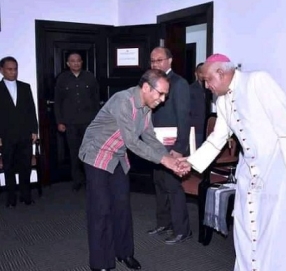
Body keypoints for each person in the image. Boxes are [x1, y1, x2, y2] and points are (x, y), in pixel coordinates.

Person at [178, 54, 286, 271]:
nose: (207, 86)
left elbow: (284, 120)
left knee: (277, 231)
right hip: (249, 170)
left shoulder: (258, 80)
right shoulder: (221, 101)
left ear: (221, 72)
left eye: (208, 80)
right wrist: (191, 163)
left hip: (278, 169)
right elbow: (217, 138)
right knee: (247, 226)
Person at [79, 69, 182, 271]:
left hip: (117, 156)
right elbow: (133, 142)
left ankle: (124, 253)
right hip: (96, 155)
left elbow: (150, 138)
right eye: (160, 94)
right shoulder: (123, 101)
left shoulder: (145, 107)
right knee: (101, 210)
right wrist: (164, 161)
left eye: (165, 95)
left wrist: (170, 158)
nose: (162, 100)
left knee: (122, 206)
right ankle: (101, 263)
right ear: (145, 87)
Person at [147, 47, 192, 245]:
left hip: (173, 146)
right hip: (155, 144)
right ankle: (164, 223)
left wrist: (180, 147)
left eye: (159, 60)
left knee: (173, 187)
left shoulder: (179, 84)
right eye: (152, 61)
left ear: (169, 61)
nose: (155, 64)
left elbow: (184, 118)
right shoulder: (150, 83)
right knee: (159, 184)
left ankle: (183, 230)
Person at [54, 52, 99, 191]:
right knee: (74, 153)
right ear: (68, 63)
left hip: (88, 122)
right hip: (70, 123)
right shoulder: (62, 79)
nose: (76, 63)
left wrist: (97, 121)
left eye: (78, 60)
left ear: (82, 62)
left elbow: (96, 100)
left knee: (90, 152)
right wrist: (59, 121)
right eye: (72, 61)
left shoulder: (90, 77)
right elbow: (58, 102)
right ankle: (77, 180)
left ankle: (90, 180)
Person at [0, 56, 38, 207]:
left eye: (15, 69)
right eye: (9, 69)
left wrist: (34, 130)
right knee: (8, 167)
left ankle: (26, 195)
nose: (13, 72)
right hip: (6, 135)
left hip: (24, 134)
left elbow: (31, 110)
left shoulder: (25, 87)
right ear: (2, 70)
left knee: (25, 166)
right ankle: (11, 198)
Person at [190, 62, 207, 148]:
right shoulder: (191, 89)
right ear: (196, 73)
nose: (203, 75)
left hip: (208, 126)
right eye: (201, 72)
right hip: (197, 127)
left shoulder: (210, 88)